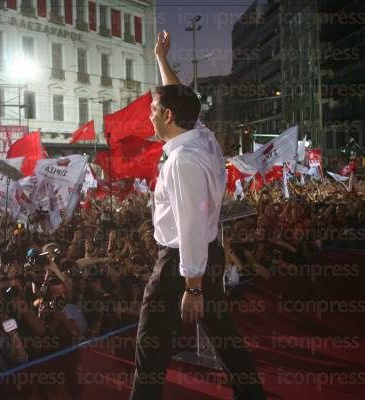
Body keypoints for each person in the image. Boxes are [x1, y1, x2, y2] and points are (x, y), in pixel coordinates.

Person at [129, 30, 266, 400]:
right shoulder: (201, 137)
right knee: (225, 339)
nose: (150, 115)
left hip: (180, 265)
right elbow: (184, 100)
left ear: (168, 116)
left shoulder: (182, 163)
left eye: (154, 110)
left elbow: (188, 226)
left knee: (149, 349)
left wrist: (191, 287)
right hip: (206, 255)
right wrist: (162, 60)